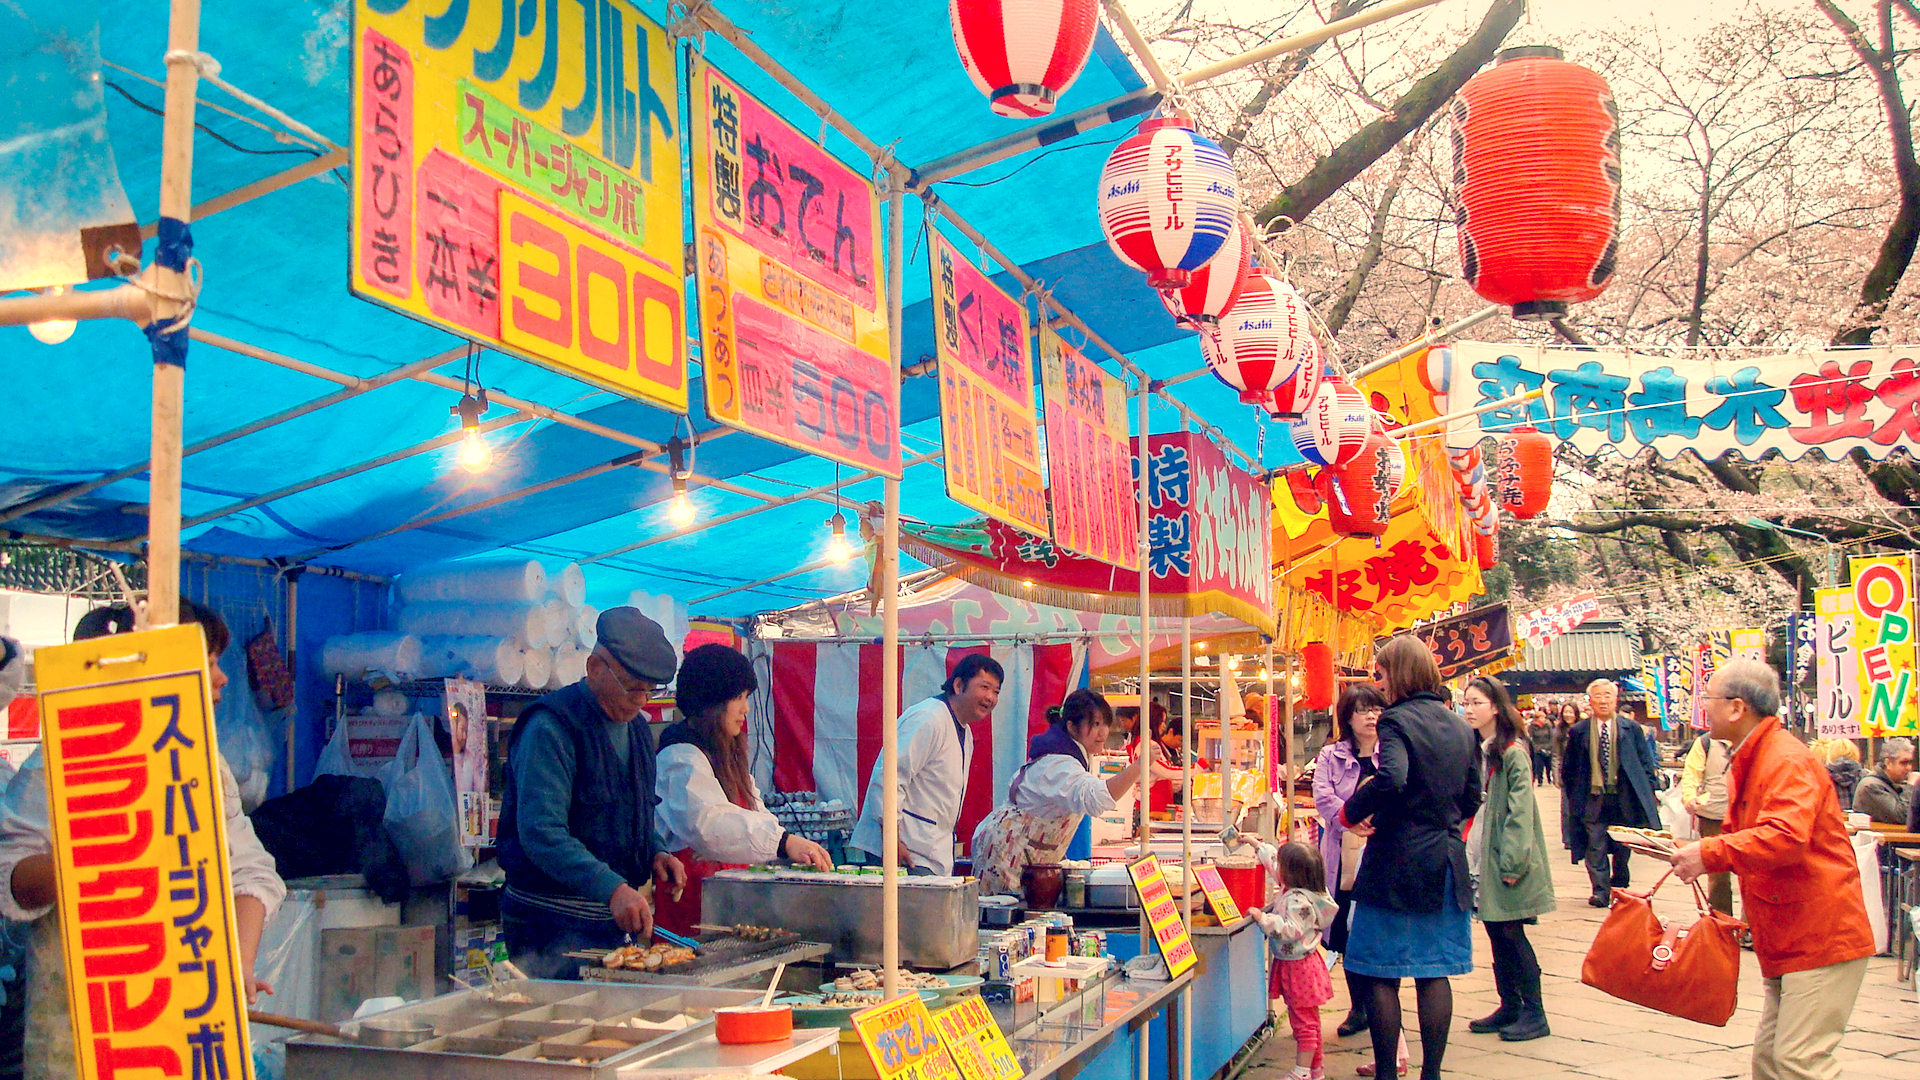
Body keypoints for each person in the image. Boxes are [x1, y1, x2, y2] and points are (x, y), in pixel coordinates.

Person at [0, 601, 285, 1080]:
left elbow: (252, 873)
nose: (223, 680)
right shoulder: (57, 767)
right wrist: (106, 843)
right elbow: (12, 880)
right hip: (82, 1038)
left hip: (185, 1029)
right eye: (209, 661)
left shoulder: (208, 770)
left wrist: (239, 961)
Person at [1670, 659, 1875, 1080]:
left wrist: (1710, 852)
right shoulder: (1759, 753)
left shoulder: (1783, 759)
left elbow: (1784, 836)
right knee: (1771, 1061)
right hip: (1791, 927)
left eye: (1709, 697)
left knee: (1799, 1061)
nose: (1703, 707)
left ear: (1737, 707)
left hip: (1819, 932)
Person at [496, 607, 688, 978]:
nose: (642, 700)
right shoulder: (551, 728)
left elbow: (626, 811)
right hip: (549, 925)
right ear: (594, 667)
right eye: (633, 687)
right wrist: (612, 887)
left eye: (651, 690)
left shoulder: (633, 728)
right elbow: (542, 833)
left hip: (607, 923)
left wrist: (655, 850)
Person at [1339, 636, 1481, 1080]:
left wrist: (1351, 812)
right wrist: (1446, 825)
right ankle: (1431, 1073)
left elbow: (1392, 777)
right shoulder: (1459, 725)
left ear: (1397, 673)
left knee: (1380, 970)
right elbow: (1473, 795)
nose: (1377, 683)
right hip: (1444, 860)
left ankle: (1386, 1072)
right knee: (1433, 972)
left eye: (1380, 673)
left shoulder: (1396, 720)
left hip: (1396, 862)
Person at [654, 644, 833, 934]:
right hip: (690, 916)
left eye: (746, 697)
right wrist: (783, 842)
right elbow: (707, 825)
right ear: (711, 701)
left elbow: (757, 814)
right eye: (738, 698)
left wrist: (785, 846)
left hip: (728, 912)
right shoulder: (680, 757)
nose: (745, 708)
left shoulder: (728, 754)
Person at [970, 690, 1172, 895]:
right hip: (1005, 855)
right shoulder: (1059, 764)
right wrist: (1139, 765)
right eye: (1094, 724)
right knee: (1005, 915)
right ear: (1071, 726)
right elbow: (1098, 798)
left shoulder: (1068, 756)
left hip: (1025, 856)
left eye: (1105, 724)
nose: (1102, 732)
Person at [1459, 677, 1555, 1042]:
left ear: (1495, 707)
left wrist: (1513, 863)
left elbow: (1520, 812)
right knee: (1496, 932)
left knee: (1511, 934)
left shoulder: (1513, 751)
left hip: (1505, 858)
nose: (1468, 709)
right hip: (1482, 852)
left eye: (1476, 703)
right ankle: (1509, 1004)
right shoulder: (1479, 748)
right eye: (1466, 703)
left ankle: (1535, 1011)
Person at [849, 654, 1001, 876]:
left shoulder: (964, 731)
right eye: (984, 687)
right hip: (904, 852)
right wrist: (891, 838)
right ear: (958, 685)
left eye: (996, 692)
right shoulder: (929, 717)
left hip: (929, 852)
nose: (990, 697)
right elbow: (889, 776)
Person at [1312, 683, 1387, 1038]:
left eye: (1376, 709)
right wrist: (1348, 819)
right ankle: (1359, 1007)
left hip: (1381, 852)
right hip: (1341, 853)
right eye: (1362, 710)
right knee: (1344, 930)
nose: (1371, 716)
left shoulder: (1392, 752)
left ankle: (1384, 1006)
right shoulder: (1331, 755)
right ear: (1347, 717)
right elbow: (1322, 795)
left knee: (1376, 928)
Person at [1559, 678, 1660, 907]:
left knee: (1623, 847)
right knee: (1595, 844)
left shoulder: (1631, 728)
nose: (1603, 701)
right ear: (1590, 701)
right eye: (1598, 696)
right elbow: (1569, 767)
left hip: (1623, 796)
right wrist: (1574, 794)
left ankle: (1620, 885)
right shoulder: (1579, 731)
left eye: (1607, 696)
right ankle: (1600, 891)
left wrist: (1650, 789)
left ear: (1615, 700)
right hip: (1592, 797)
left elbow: (1644, 761)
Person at [1251, 841, 1339, 1080]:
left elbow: (1291, 930)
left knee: (1303, 1022)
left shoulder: (1297, 901)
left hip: (1298, 968)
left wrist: (1264, 919)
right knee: (1310, 1020)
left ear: (1290, 873)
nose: (1275, 867)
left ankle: (1301, 1072)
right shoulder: (1305, 891)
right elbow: (1273, 864)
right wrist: (1256, 845)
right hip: (1303, 964)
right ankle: (1315, 1071)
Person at [1678, 728, 1735, 915]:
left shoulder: (1753, 739)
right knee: (1718, 874)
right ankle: (1722, 922)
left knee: (1753, 875)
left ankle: (1750, 927)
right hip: (1713, 815)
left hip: (1747, 815)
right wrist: (1690, 797)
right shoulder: (1705, 743)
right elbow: (1691, 775)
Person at [1852, 737, 1912, 825]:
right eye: (1903, 763)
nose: (1909, 767)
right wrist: (1911, 786)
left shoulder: (1891, 783)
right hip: (1885, 837)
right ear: (1888, 763)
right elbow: (1902, 816)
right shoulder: (1871, 786)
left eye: (1910, 762)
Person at [1819, 739, 1863, 811]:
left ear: (1830, 754)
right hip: (1860, 820)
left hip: (1833, 819)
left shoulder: (1821, 776)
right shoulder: (1865, 776)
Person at [1552, 702, 1578, 787]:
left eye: (1571, 712)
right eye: (1565, 712)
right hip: (1566, 773)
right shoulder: (1559, 731)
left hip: (1581, 773)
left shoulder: (1583, 729)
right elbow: (1556, 755)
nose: (1568, 715)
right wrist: (1556, 777)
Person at [1526, 710, 1553, 785]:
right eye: (1541, 718)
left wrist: (1549, 747)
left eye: (1544, 717)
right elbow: (1531, 738)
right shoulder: (1532, 727)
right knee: (1539, 765)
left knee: (1549, 765)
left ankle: (1549, 778)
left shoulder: (1548, 726)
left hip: (1548, 747)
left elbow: (1551, 737)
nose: (1543, 719)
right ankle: (1540, 780)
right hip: (1538, 749)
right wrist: (1537, 748)